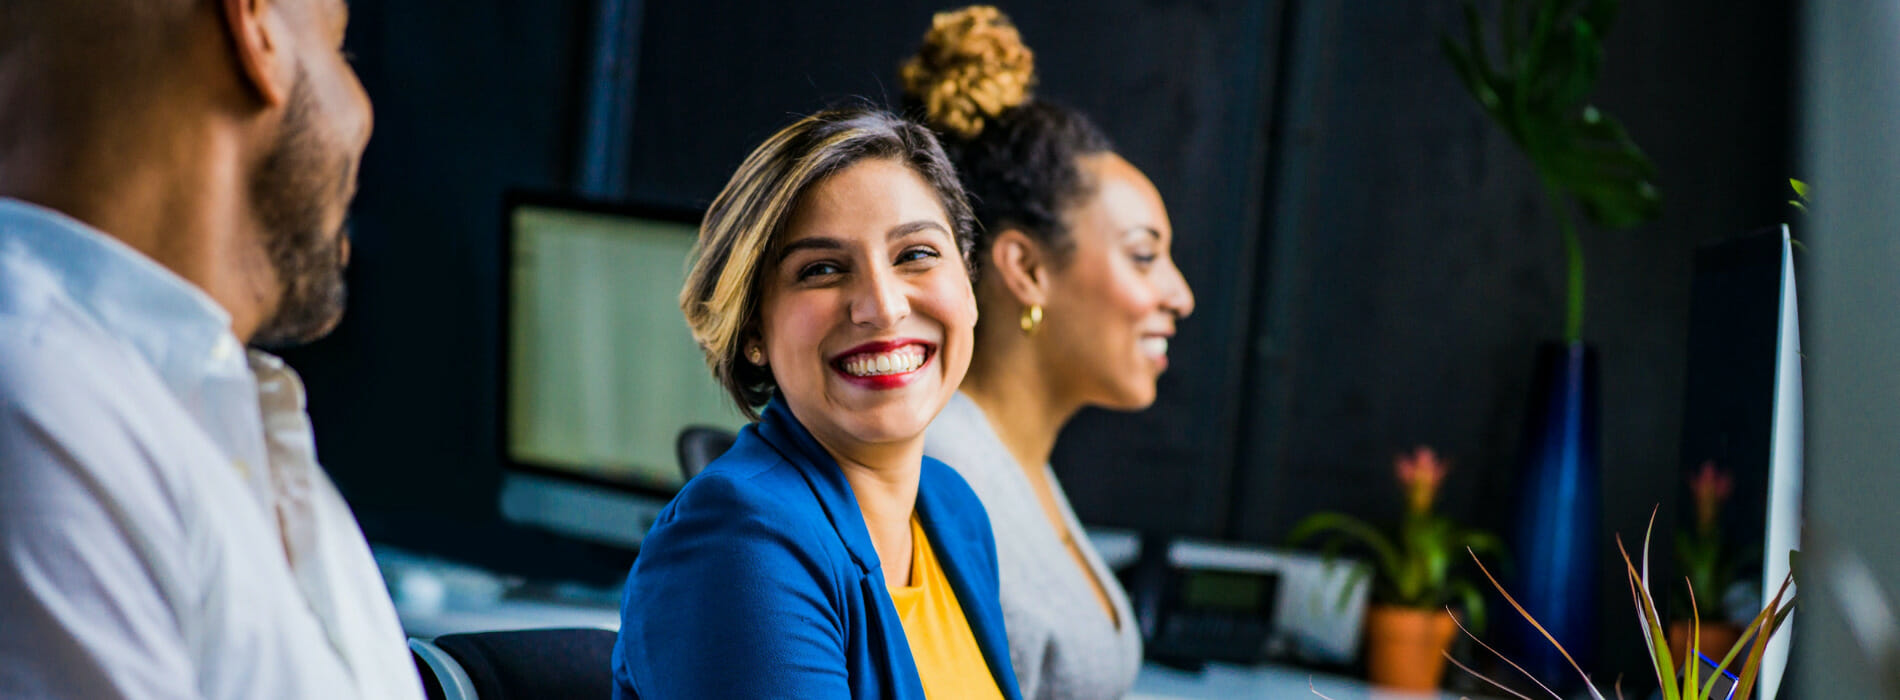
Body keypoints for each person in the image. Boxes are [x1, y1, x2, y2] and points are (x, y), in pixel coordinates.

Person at [0, 1, 420, 698]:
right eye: (339, 49)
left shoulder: (210, 414)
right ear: (255, 30)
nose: (364, 112)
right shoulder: (40, 412)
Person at [612, 107, 1022, 700]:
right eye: (822, 270)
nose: (882, 307)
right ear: (753, 329)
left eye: (916, 255)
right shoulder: (739, 540)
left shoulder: (953, 512)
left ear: (967, 282)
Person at [902, 7, 1197, 700]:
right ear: (1026, 269)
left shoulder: (1013, 464)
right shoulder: (944, 481)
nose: (1179, 295)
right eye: (1145, 256)